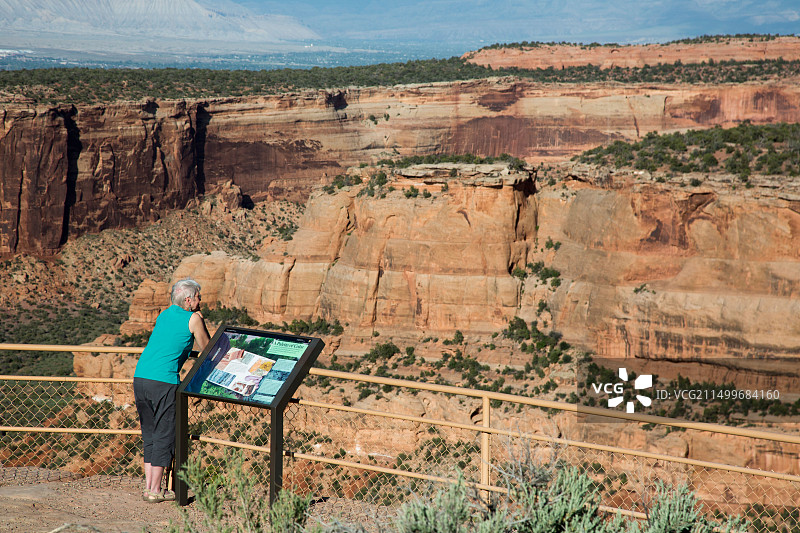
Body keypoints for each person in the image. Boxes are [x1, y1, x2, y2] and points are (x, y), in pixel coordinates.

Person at [133, 278, 210, 503]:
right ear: (188, 299)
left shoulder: (165, 314)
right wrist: (200, 321)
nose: (200, 300)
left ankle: (149, 486)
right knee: (164, 434)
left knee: (150, 433)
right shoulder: (193, 318)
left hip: (141, 377)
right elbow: (207, 347)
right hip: (164, 382)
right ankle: (156, 491)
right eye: (198, 296)